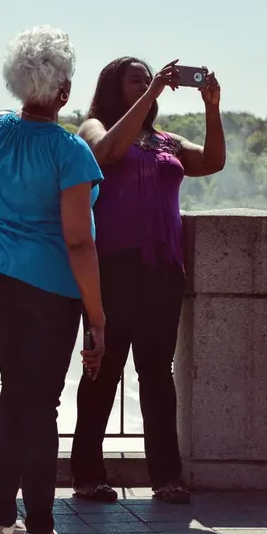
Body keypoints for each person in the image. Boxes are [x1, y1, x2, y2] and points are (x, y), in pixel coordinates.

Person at [70, 57, 226, 505]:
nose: (146, 82)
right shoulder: (93, 127)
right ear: (113, 87)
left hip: (163, 269)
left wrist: (212, 108)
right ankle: (87, 475)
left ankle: (167, 477)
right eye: (135, 79)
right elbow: (105, 155)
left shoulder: (166, 141)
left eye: (148, 77)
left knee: (158, 374)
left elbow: (212, 161)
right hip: (112, 270)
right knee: (103, 372)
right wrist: (151, 94)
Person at [0, 26, 105, 534]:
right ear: (64, 91)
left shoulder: (0, 129)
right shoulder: (71, 151)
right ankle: (41, 527)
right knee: (40, 405)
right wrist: (97, 316)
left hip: (0, 272)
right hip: (51, 285)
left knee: (16, 395)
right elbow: (79, 242)